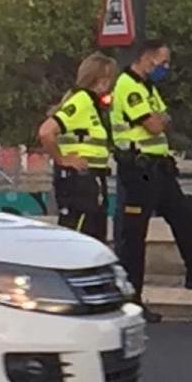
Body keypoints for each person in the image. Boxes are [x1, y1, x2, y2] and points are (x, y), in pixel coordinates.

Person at [112, 38, 192, 323]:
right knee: (134, 239)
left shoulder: (147, 87)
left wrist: (160, 119)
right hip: (138, 171)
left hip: (159, 169)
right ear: (146, 58)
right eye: (162, 62)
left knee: (184, 217)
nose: (165, 68)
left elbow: (166, 117)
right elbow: (155, 123)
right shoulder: (128, 86)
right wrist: (158, 119)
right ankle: (132, 300)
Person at [37, 52, 117, 243]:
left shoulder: (90, 105)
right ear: (100, 78)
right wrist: (62, 159)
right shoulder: (82, 100)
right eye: (109, 78)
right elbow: (46, 132)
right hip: (81, 181)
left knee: (93, 235)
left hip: (92, 179)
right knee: (80, 236)